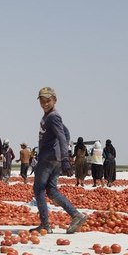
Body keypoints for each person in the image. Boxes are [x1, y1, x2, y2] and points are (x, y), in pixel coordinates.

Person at [32, 87, 87, 234]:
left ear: (55, 100)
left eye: (48, 100)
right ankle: (76, 215)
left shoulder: (53, 117)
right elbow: (66, 133)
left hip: (48, 158)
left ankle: (45, 224)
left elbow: (63, 137)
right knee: (51, 190)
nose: (45, 103)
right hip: (53, 157)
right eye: (42, 101)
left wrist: (65, 158)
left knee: (38, 190)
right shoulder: (49, 116)